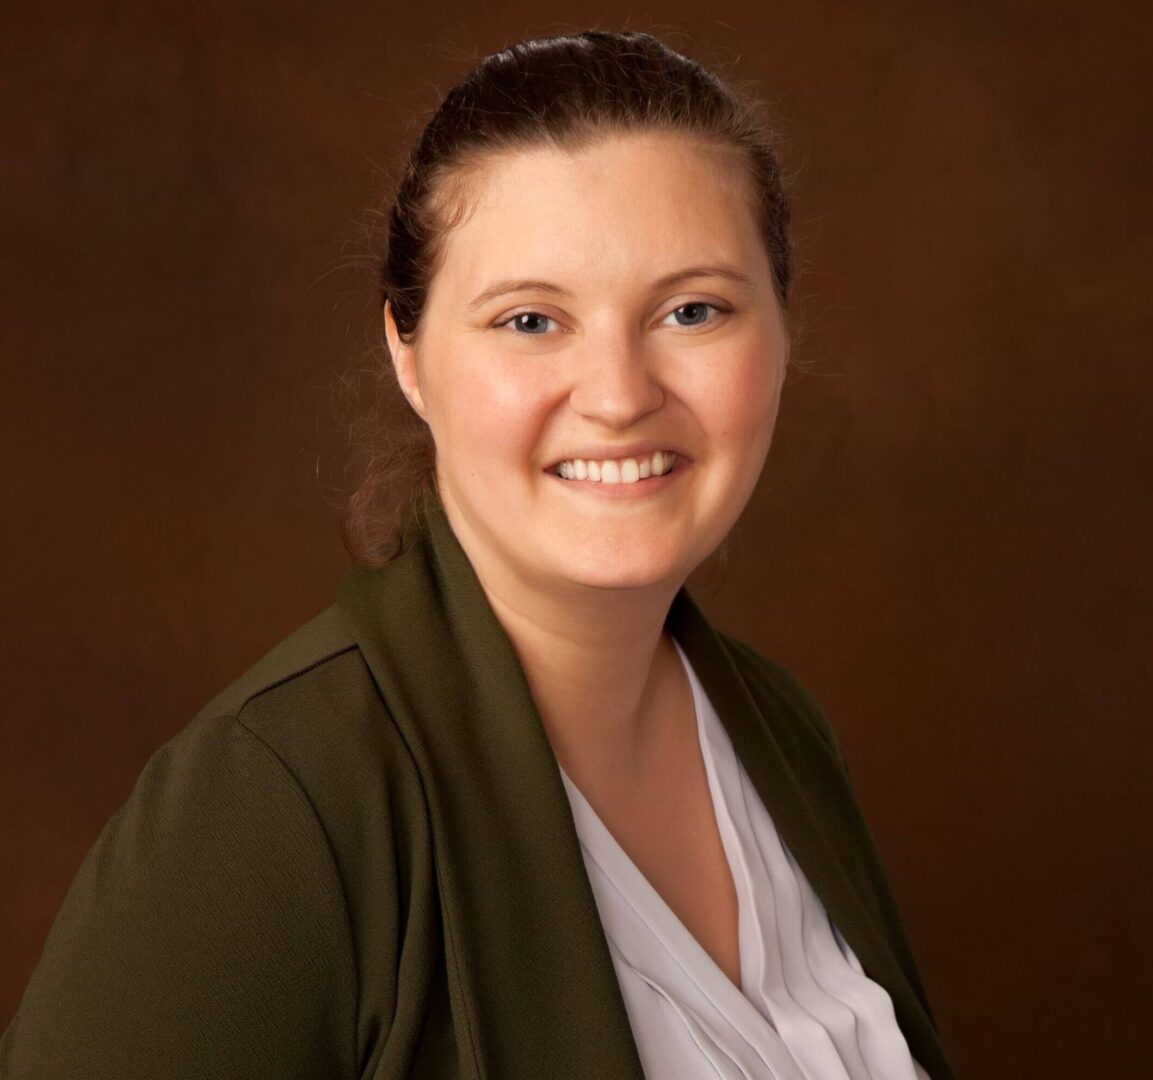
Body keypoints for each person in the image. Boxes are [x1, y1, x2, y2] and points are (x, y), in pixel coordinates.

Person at [0, 29, 955, 1080]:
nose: (618, 394)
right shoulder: (271, 806)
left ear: (780, 331)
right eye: (531, 320)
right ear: (408, 356)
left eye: (693, 310)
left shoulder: (778, 730)